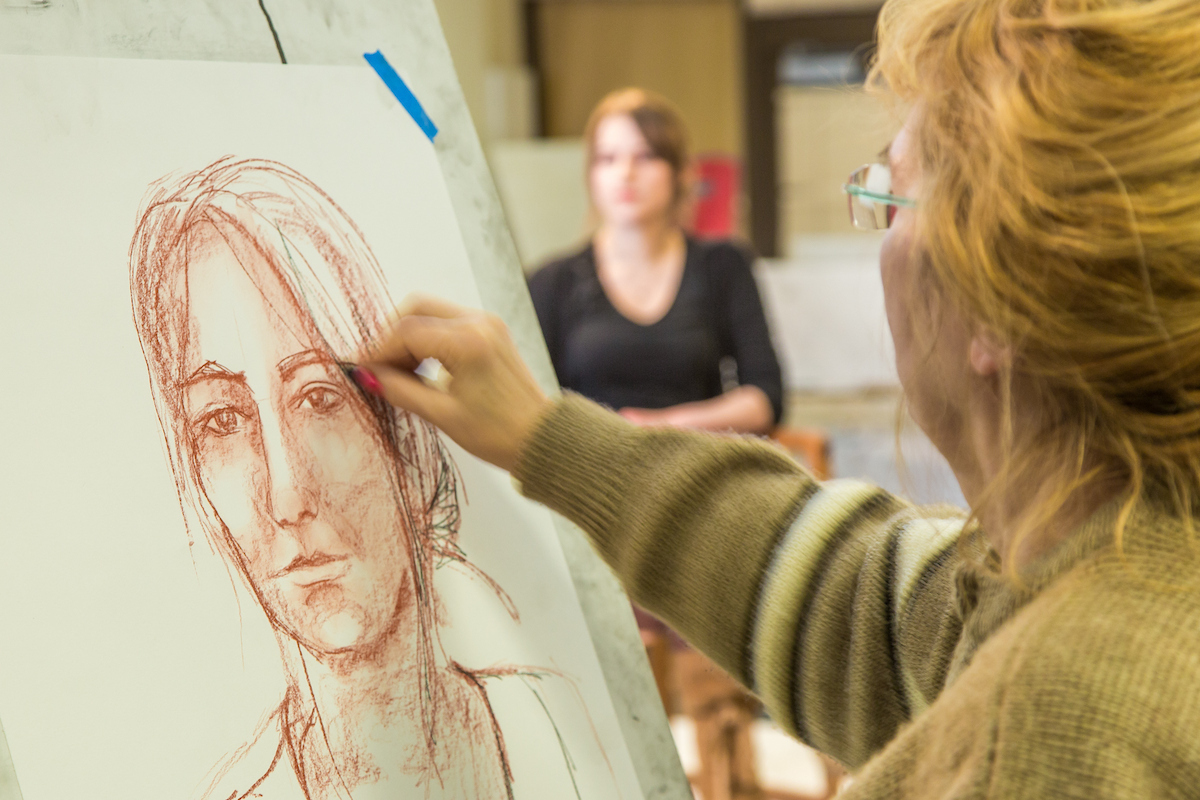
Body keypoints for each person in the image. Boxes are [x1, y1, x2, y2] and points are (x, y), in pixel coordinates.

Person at [354, 0, 1200, 796]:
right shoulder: (1104, 557)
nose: (884, 242)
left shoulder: (1047, 726)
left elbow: (768, 400)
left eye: (894, 198)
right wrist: (548, 436)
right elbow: (861, 603)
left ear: (1003, 295)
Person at [130, 158, 604, 800]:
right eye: (221, 419)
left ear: (410, 436)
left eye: (321, 397)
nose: (288, 495)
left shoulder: (564, 730)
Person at [529, 88, 783, 435]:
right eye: (607, 158)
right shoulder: (551, 281)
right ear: (591, 175)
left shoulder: (724, 265)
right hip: (590, 474)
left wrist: (659, 426)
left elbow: (765, 398)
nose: (626, 173)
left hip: (699, 467)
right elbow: (534, 407)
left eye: (646, 156)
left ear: (679, 171)